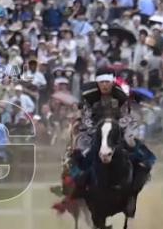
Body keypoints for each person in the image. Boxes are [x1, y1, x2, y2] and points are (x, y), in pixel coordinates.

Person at [53, 68, 153, 206]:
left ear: (112, 82)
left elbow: (126, 116)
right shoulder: (89, 96)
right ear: (97, 83)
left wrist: (114, 127)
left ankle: (142, 171)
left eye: (107, 82)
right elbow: (86, 117)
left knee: (132, 144)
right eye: (101, 82)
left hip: (117, 129)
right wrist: (98, 128)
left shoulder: (121, 95)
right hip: (93, 130)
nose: (104, 85)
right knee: (78, 149)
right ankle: (71, 182)